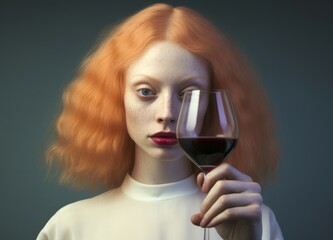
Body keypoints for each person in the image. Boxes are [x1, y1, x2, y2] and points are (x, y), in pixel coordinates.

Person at [37, 3, 283, 240]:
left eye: (188, 95)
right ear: (116, 98)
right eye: (146, 92)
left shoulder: (253, 222)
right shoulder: (67, 227)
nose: (167, 113)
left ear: (210, 105)